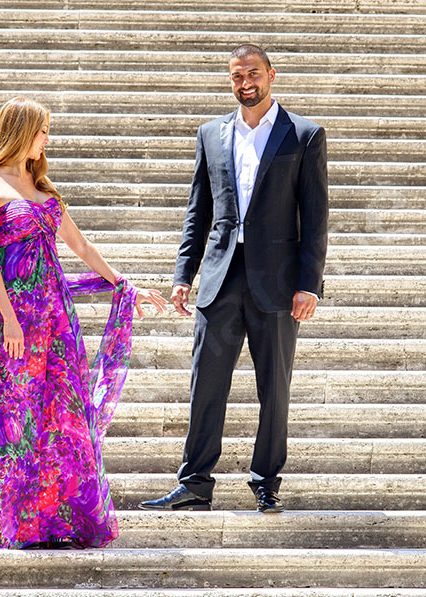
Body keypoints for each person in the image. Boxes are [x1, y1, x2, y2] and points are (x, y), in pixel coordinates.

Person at [138, 44, 328, 513]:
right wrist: (184, 275)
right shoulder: (211, 133)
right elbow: (197, 211)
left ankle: (266, 481)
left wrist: (310, 284)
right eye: (236, 76)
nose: (246, 83)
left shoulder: (303, 134)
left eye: (253, 74)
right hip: (221, 277)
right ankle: (195, 482)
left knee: (274, 387)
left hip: (279, 283)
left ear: (272, 75)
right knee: (206, 383)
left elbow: (316, 216)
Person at [0, 96, 167, 549]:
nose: (47, 139)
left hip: (57, 323)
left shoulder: (46, 191)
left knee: (62, 419)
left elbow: (79, 245)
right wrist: (9, 318)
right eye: (42, 130)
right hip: (12, 321)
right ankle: (13, 525)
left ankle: (58, 522)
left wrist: (124, 283)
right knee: (14, 420)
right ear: (22, 131)